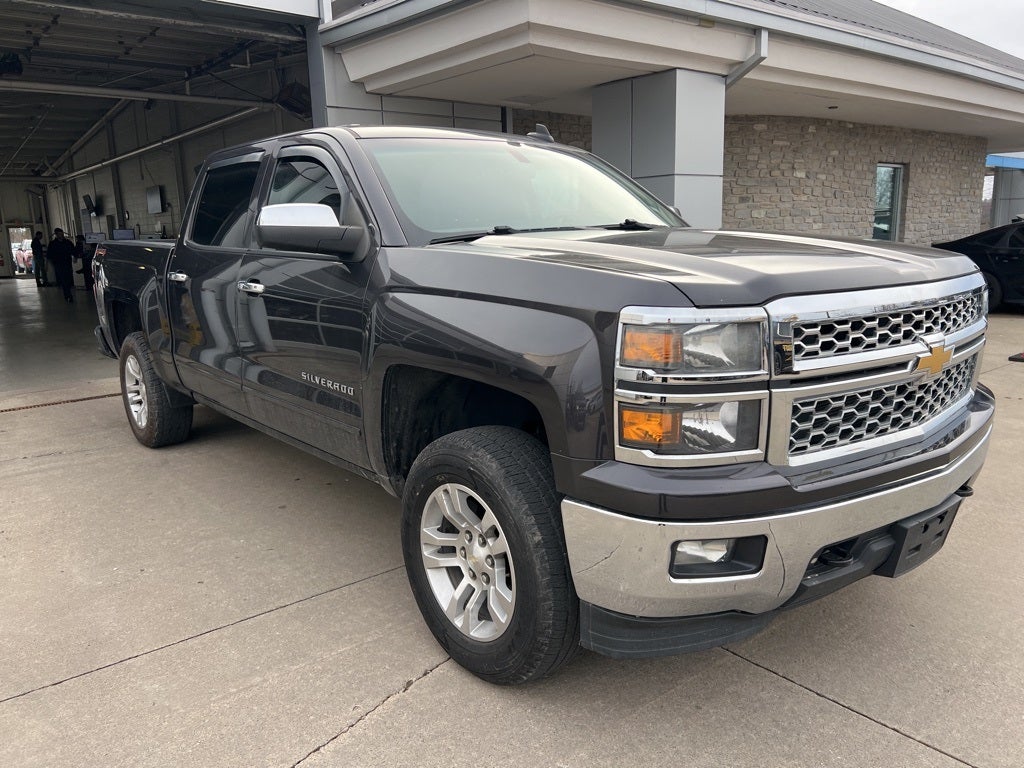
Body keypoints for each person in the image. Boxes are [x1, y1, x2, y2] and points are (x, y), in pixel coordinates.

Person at [48, 228, 76, 303]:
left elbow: (73, 250)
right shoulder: (53, 244)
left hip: (67, 263)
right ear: (56, 235)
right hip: (58, 264)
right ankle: (68, 295)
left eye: (62, 234)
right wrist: (52, 263)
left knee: (68, 279)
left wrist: (75, 256)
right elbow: (50, 255)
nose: (61, 235)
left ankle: (68, 294)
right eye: (59, 234)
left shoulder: (67, 242)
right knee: (64, 280)